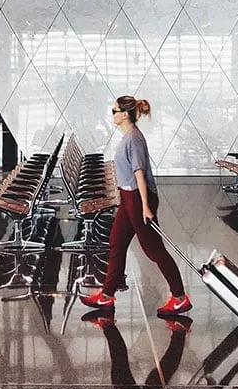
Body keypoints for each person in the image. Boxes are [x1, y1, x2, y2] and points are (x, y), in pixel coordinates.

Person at [80, 95, 192, 320]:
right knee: (116, 243)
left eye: (114, 111)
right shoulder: (127, 137)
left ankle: (180, 298)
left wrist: (145, 207)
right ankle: (107, 295)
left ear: (125, 114)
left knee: (153, 249)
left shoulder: (134, 139)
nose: (112, 114)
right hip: (128, 197)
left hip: (138, 199)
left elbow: (139, 174)